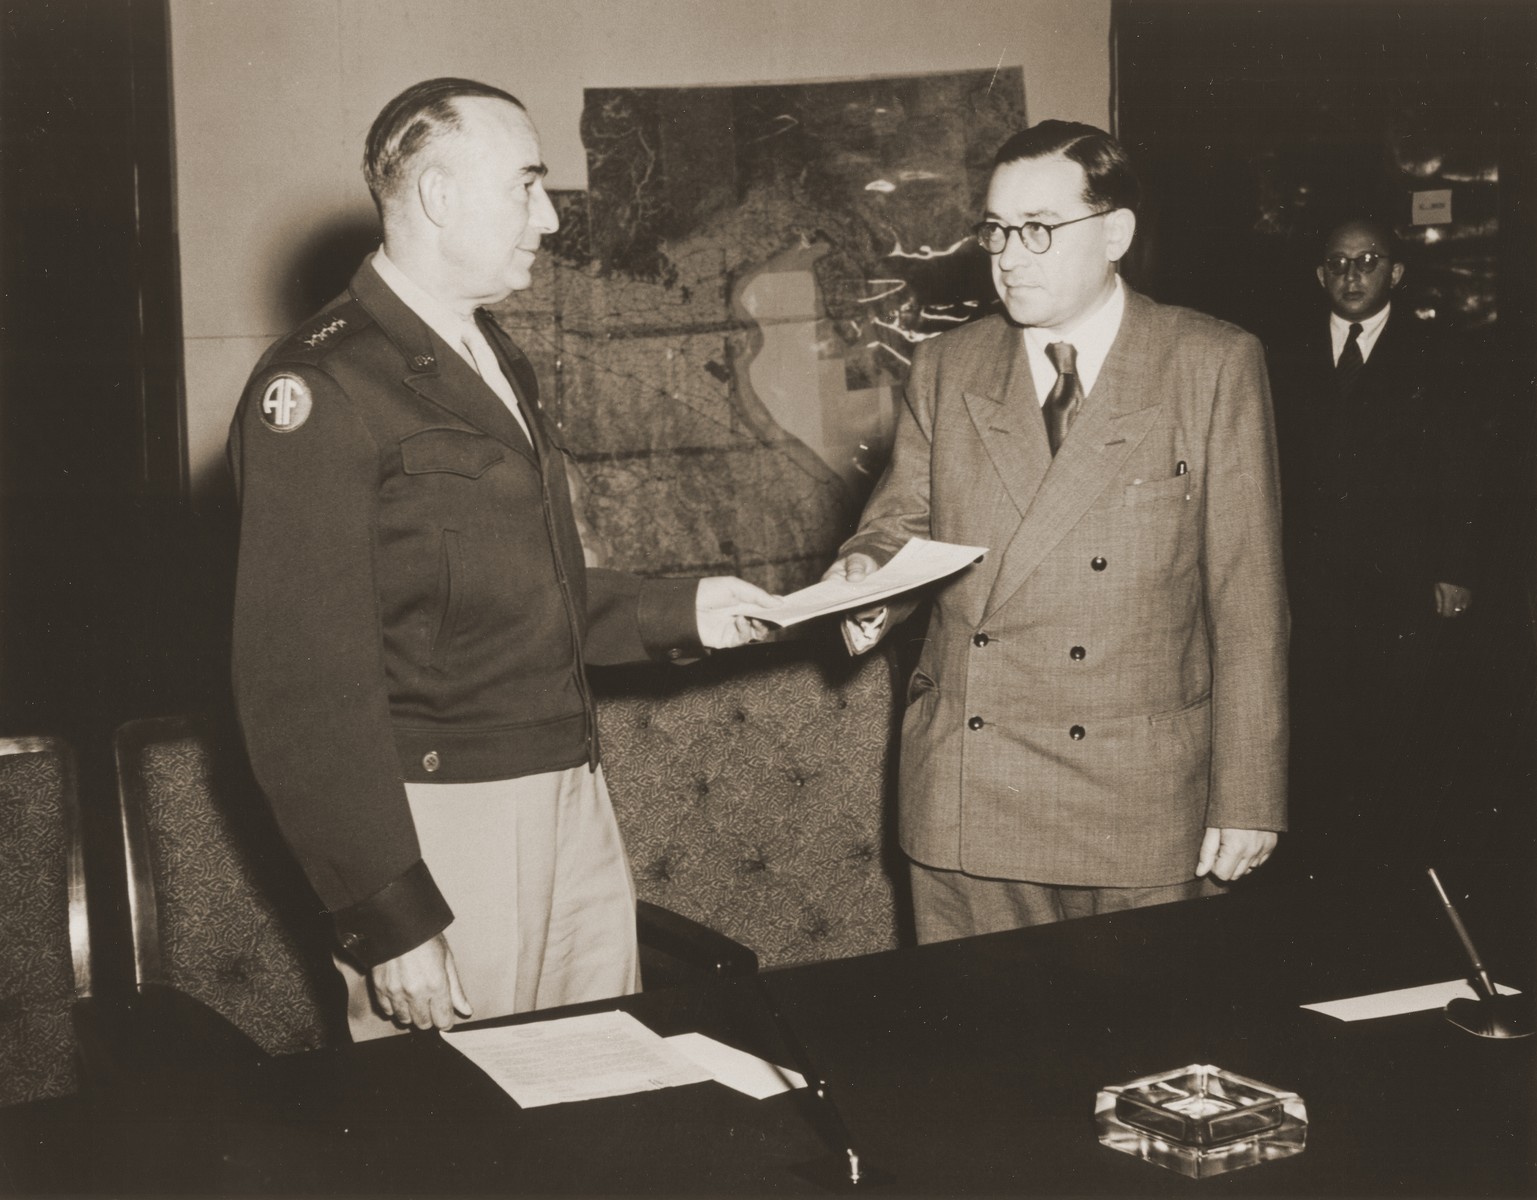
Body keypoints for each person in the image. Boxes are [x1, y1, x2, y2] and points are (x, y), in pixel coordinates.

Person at [228, 78, 777, 1039]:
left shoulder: (488, 353)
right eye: (526, 184)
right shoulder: (321, 386)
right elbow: (300, 688)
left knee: (597, 1092)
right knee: (457, 1138)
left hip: (570, 791)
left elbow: (519, 592)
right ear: (439, 197)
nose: (550, 214)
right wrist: (391, 915)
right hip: (442, 823)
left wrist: (685, 610)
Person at [824, 121, 1288, 941]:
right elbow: (900, 522)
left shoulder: (1209, 363)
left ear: (1114, 232)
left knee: (1139, 1051)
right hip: (971, 788)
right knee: (979, 1053)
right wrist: (863, 579)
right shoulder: (947, 366)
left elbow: (1247, 599)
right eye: (996, 229)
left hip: (1135, 799)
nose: (1008, 254)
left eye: (1038, 228)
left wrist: (1248, 798)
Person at [1269, 217, 1482, 879]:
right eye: (1337, 261)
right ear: (1318, 274)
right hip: (1306, 579)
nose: (1351, 274)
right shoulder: (1281, 352)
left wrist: (1455, 566)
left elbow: (1463, 467)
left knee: (1393, 728)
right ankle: (1319, 867)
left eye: (1367, 261)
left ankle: (1386, 870)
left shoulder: (1436, 353)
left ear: (1393, 273)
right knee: (1313, 726)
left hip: (1399, 579)